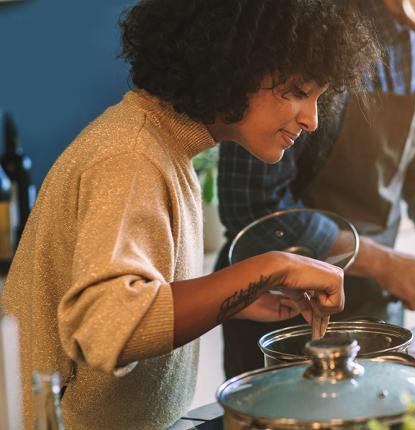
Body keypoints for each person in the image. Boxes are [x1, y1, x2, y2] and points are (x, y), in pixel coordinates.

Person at [0, 1, 379, 428]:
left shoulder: (162, 146)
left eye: (319, 98)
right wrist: (273, 266)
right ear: (235, 64)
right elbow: (108, 326)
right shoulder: (131, 156)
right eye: (297, 91)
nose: (311, 119)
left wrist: (234, 300)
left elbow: (141, 289)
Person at [215, 0, 415, 377]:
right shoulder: (301, 28)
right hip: (282, 314)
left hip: (374, 305)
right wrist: (383, 263)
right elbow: (256, 207)